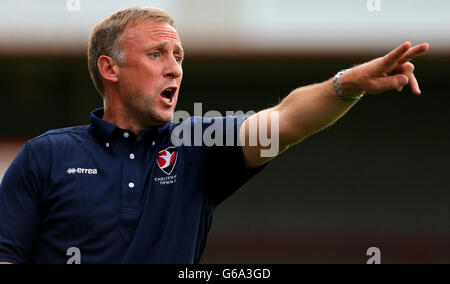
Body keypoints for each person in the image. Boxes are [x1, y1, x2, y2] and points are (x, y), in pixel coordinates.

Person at [0, 7, 429, 264]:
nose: (175, 68)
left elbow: (285, 120)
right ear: (110, 69)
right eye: (156, 54)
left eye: (179, 56)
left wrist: (346, 84)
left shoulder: (198, 145)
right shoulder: (46, 155)